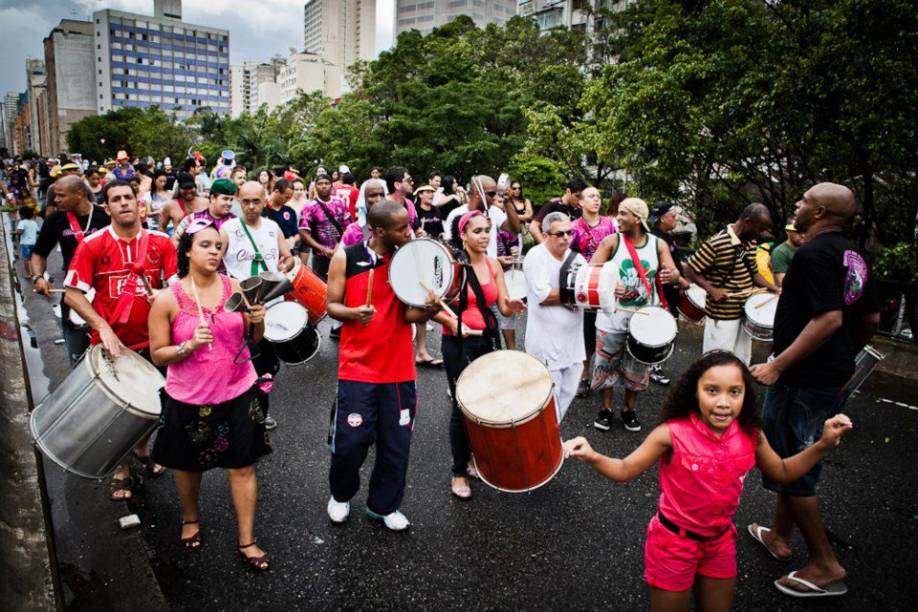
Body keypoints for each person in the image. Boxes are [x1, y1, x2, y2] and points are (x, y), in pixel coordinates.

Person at [564, 351, 854, 612]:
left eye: (734, 392)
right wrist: (592, 456)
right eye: (712, 390)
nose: (723, 402)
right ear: (696, 392)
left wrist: (823, 445)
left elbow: (782, 471)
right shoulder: (671, 433)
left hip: (720, 544)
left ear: (745, 395)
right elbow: (626, 468)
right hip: (672, 545)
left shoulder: (752, 435)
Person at [748, 183, 879, 598]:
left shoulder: (812, 254)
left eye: (804, 201)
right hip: (829, 374)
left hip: (800, 378)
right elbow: (870, 318)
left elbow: (827, 320)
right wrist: (843, 358)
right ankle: (780, 536)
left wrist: (777, 365)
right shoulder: (854, 255)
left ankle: (825, 563)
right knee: (797, 457)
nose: (798, 206)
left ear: (820, 211)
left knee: (788, 466)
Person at [148, 219, 272, 571]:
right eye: (205, 245)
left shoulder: (237, 288)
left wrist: (258, 319)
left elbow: (255, 340)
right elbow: (158, 353)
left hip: (237, 390)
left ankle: (246, 541)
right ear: (187, 250)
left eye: (218, 246)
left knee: (243, 466)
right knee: (188, 465)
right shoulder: (167, 299)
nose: (214, 251)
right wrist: (187, 345)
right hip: (189, 396)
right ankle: (190, 519)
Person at [325, 200, 442, 531]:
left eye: (408, 225)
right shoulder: (346, 256)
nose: (409, 232)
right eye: (401, 228)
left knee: (396, 445)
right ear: (378, 231)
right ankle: (341, 494)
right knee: (349, 443)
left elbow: (408, 315)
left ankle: (384, 505)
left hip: (399, 371)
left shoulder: (408, 262)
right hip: (357, 369)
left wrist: (430, 309)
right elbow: (331, 304)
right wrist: (352, 313)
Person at [64, 179, 178, 499]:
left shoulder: (161, 243)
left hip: (154, 344)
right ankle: (121, 466)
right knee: (118, 414)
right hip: (113, 347)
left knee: (155, 408)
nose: (124, 203)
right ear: (107, 207)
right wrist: (103, 327)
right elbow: (73, 295)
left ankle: (141, 449)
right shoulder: (92, 244)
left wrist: (163, 298)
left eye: (129, 197)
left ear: (138, 203)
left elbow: (175, 289)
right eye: (117, 199)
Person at [433, 210, 525, 499]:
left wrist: (513, 306)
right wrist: (449, 322)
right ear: (463, 235)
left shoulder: (494, 263)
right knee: (462, 407)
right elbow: (431, 306)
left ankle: (474, 458)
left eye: (487, 230)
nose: (484, 236)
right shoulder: (451, 266)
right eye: (477, 231)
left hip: (487, 339)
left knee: (485, 404)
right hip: (457, 343)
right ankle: (458, 471)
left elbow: (503, 307)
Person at [590, 197, 680, 433]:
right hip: (612, 316)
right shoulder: (611, 241)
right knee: (605, 365)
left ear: (638, 219)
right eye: (618, 213)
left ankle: (629, 410)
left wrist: (673, 276)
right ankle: (606, 409)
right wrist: (609, 285)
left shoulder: (657, 244)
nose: (617, 218)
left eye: (623, 214)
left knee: (638, 367)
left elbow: (673, 272)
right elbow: (591, 272)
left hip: (643, 319)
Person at [30, 175, 111, 365]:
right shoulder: (55, 220)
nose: (55, 200)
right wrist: (38, 277)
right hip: (74, 294)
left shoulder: (105, 216)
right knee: (78, 356)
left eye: (60, 195)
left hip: (105, 292)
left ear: (79, 193)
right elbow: (39, 253)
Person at [684, 204, 777, 364]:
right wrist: (711, 289)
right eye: (760, 228)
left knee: (741, 361)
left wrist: (775, 288)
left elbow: (754, 274)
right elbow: (690, 268)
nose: (762, 233)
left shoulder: (750, 242)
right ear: (748, 222)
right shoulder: (717, 243)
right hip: (722, 315)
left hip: (744, 312)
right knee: (716, 363)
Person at [523, 211, 585, 422]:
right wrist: (580, 291)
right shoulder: (535, 256)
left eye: (570, 233)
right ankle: (544, 447)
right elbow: (544, 296)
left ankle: (548, 441)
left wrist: (608, 291)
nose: (566, 238)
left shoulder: (578, 259)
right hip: (546, 346)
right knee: (547, 402)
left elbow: (590, 293)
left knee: (566, 395)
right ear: (546, 234)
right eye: (560, 234)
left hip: (574, 345)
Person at [569, 186, 618, 398]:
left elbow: (618, 251)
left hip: (607, 286)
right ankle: (584, 375)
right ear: (580, 202)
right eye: (591, 196)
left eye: (598, 196)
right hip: (585, 288)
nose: (596, 200)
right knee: (586, 334)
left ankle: (605, 376)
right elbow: (567, 257)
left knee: (609, 334)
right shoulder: (573, 228)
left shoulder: (610, 224)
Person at [649, 200, 690, 386]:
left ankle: (654, 366)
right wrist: (682, 282)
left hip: (670, 294)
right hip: (662, 294)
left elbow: (676, 263)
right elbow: (664, 268)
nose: (675, 220)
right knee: (661, 331)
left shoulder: (667, 237)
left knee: (667, 330)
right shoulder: (656, 239)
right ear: (662, 219)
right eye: (672, 216)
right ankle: (653, 368)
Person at [443, 175, 521, 257]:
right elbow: (450, 247)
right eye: (492, 194)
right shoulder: (457, 214)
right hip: (468, 267)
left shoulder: (494, 211)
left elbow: (515, 229)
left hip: (490, 267)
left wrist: (507, 202)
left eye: (496, 193)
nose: (495, 197)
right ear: (477, 193)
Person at [299, 172, 351, 282]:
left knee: (342, 284)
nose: (323, 186)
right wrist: (323, 249)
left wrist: (339, 245)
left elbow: (348, 228)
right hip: (320, 256)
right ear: (315, 187)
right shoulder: (309, 207)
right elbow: (304, 233)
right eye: (320, 183)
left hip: (341, 253)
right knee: (321, 287)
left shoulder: (340, 203)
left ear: (332, 186)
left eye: (327, 183)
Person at [172, 178, 238, 246]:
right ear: (213, 198)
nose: (229, 203)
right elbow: (176, 240)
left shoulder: (235, 222)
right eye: (225, 199)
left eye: (231, 200)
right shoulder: (193, 219)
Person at [528, 177, 586, 243]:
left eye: (582, 197)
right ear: (568, 191)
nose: (579, 200)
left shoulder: (578, 210)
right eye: (577, 196)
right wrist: (545, 248)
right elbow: (533, 227)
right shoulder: (553, 205)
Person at [342, 179, 386, 247]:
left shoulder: (393, 227)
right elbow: (340, 256)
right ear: (363, 199)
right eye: (373, 195)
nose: (379, 199)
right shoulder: (352, 232)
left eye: (382, 195)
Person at [262, 178, 299, 253]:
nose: (288, 200)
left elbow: (296, 233)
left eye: (290, 197)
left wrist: (292, 240)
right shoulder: (261, 208)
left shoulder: (290, 211)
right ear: (277, 192)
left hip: (286, 252)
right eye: (286, 197)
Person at [383, 167, 420, 233]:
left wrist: (419, 232)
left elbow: (416, 228)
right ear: (397, 185)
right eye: (409, 180)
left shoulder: (410, 204)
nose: (412, 183)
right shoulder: (382, 207)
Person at [770, 221, 805, 289]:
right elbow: (782, 282)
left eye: (804, 231)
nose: (802, 235)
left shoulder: (806, 248)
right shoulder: (780, 252)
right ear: (787, 231)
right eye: (797, 231)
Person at [16, 206, 38, 277]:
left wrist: (13, 232)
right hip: (33, 243)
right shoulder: (33, 222)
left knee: (26, 259)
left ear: (22, 215)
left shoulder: (22, 222)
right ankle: (34, 272)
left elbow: (20, 232)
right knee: (31, 258)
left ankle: (29, 274)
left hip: (25, 243)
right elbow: (38, 231)